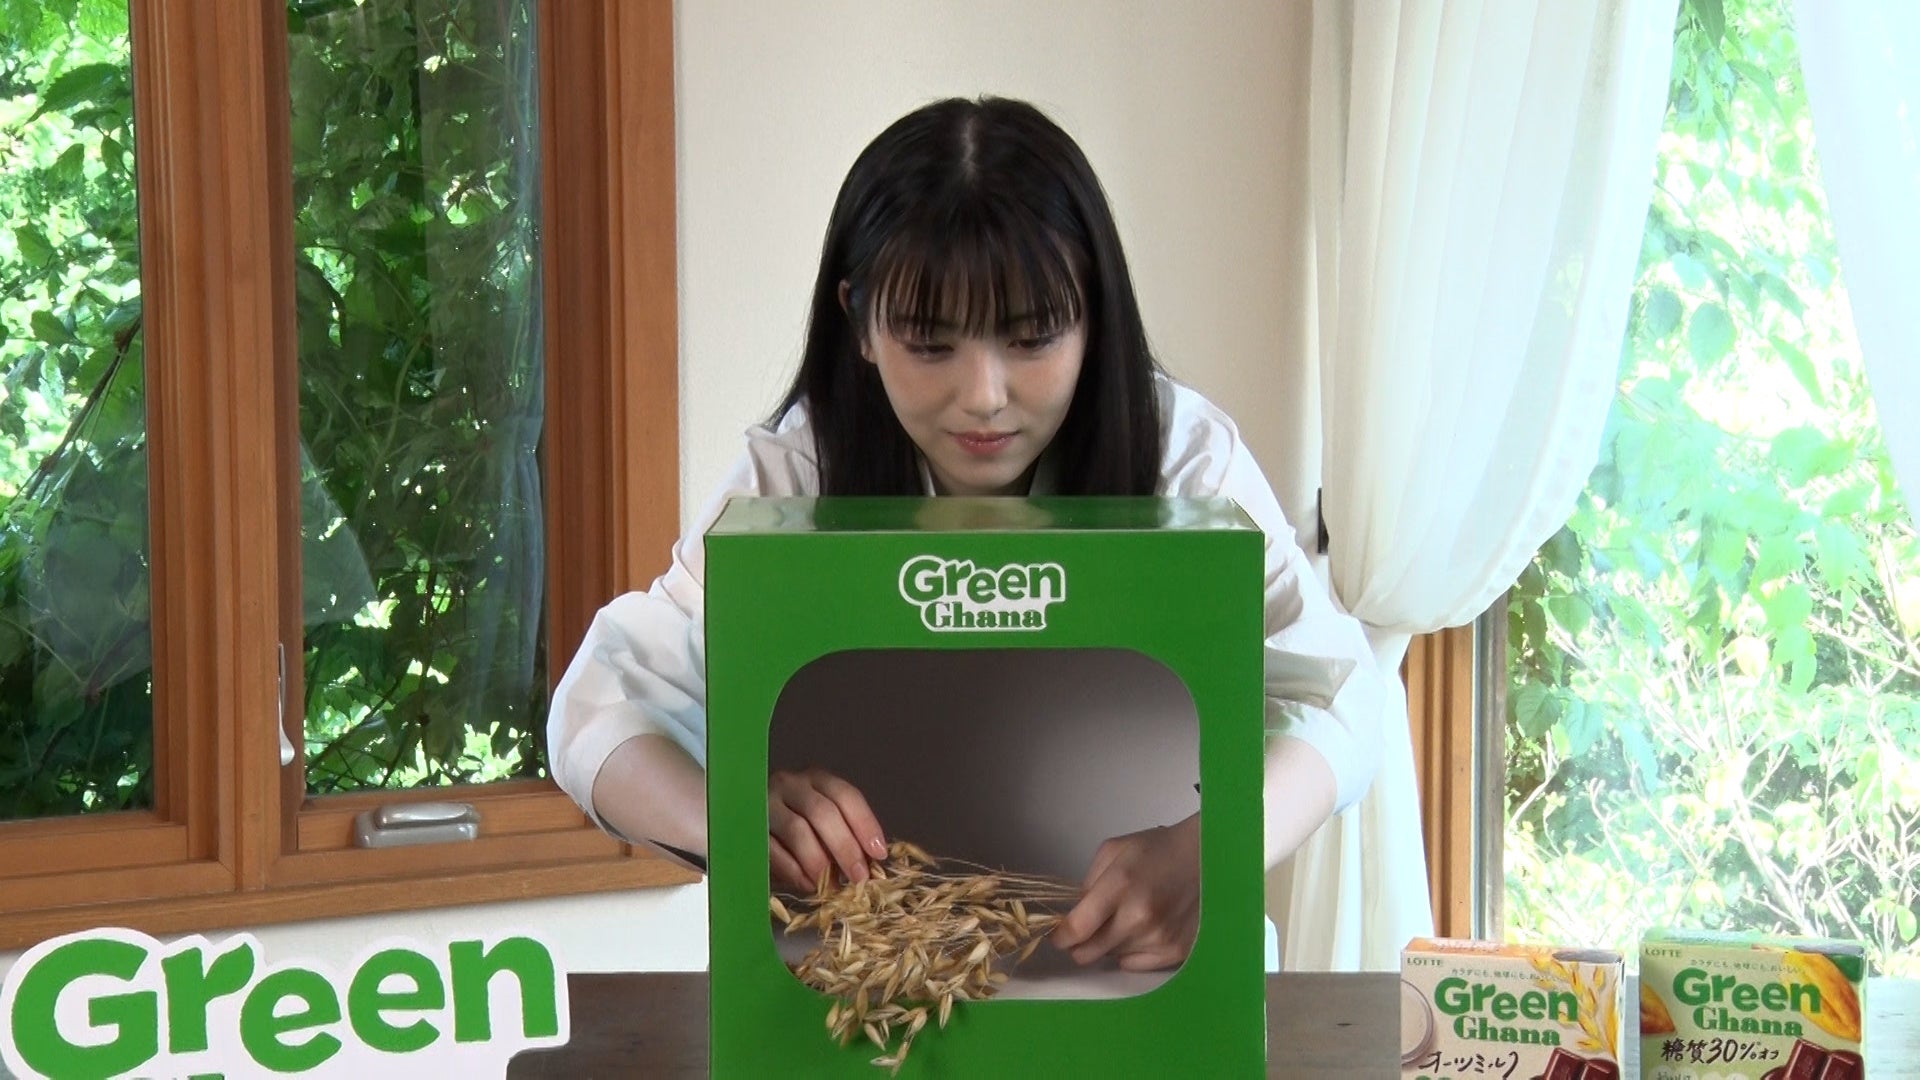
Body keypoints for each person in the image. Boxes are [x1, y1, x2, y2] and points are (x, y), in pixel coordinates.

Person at [547, 96, 1384, 974]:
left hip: (1158, 985)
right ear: (860, 324)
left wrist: (1213, 852)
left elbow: (1343, 696)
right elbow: (602, 699)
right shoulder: (798, 472)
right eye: (928, 343)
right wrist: (728, 815)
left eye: (1033, 338)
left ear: (1093, 319)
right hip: (874, 995)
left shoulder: (1184, 458)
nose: (984, 396)